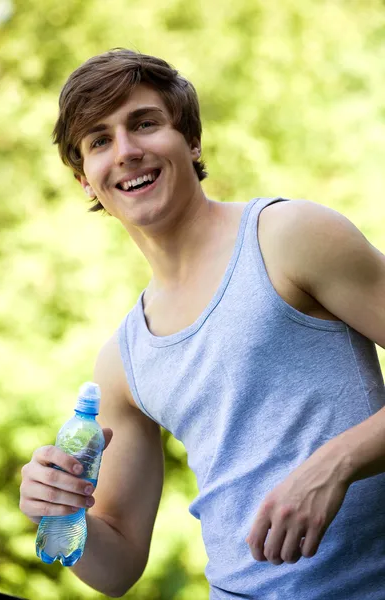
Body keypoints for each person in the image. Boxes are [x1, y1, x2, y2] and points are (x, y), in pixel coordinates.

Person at [19, 48, 385, 599]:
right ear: (85, 181)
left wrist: (336, 462)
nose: (126, 151)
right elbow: (116, 567)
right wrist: (59, 515)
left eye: (143, 123)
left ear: (191, 141)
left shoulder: (289, 236)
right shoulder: (123, 360)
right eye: (99, 141)